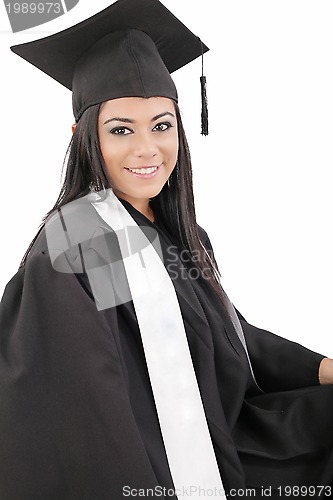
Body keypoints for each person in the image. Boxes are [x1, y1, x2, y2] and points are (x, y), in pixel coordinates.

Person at [1, 0, 333, 498]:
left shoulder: (184, 235)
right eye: (120, 130)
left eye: (161, 125)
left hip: (229, 433)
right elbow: (93, 404)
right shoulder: (81, 242)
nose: (147, 149)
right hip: (165, 467)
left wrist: (321, 368)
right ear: (82, 137)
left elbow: (232, 336)